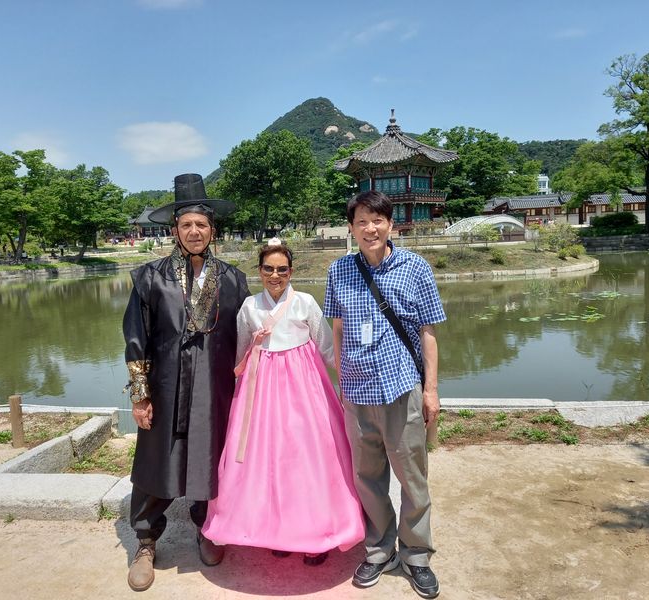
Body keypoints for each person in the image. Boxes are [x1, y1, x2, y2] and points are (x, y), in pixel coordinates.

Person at [122, 173, 250, 592]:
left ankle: (207, 527)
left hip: (215, 390)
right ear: (174, 229)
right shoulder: (149, 278)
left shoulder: (233, 279)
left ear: (213, 229)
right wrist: (140, 398)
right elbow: (136, 339)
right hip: (164, 387)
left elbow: (246, 338)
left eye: (201, 225)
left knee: (209, 458)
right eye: (186, 225)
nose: (194, 232)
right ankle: (145, 540)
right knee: (156, 460)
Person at [202, 239, 364, 565]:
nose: (275, 276)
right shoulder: (249, 307)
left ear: (291, 271)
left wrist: (351, 379)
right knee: (269, 460)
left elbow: (326, 347)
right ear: (259, 271)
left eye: (282, 269)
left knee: (308, 459)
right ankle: (276, 531)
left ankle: (316, 536)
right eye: (268, 269)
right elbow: (241, 352)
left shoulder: (304, 302)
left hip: (305, 388)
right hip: (262, 390)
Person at [323, 190, 446, 599]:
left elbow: (429, 333)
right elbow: (337, 329)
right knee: (367, 476)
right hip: (357, 391)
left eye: (377, 220)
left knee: (412, 475)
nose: (370, 228)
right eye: (361, 221)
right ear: (352, 228)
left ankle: (415, 553)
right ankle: (380, 549)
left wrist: (431, 390)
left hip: (401, 388)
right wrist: (341, 382)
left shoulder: (416, 268)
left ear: (391, 224)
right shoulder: (339, 271)